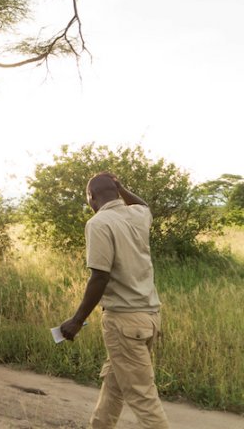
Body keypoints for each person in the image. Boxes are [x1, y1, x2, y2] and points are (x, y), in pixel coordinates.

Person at [59, 173, 169, 429]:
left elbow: (100, 276)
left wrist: (77, 321)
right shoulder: (137, 215)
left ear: (91, 197)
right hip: (149, 318)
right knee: (114, 383)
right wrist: (122, 188)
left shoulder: (99, 223)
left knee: (143, 398)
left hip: (124, 322)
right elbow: (143, 204)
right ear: (117, 191)